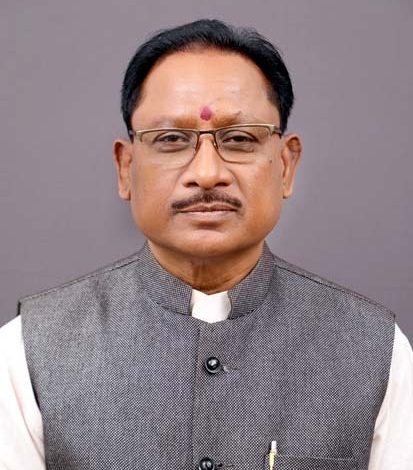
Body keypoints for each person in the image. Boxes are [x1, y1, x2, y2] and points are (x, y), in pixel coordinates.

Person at [0, 19, 412, 470]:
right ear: (125, 167)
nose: (207, 173)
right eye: (172, 140)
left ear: (286, 165)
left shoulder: (373, 349)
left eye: (239, 139)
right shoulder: (29, 351)